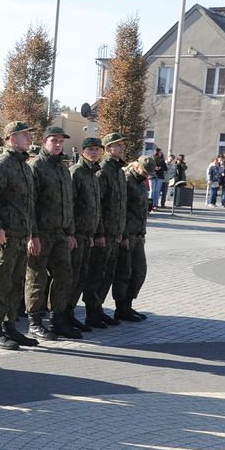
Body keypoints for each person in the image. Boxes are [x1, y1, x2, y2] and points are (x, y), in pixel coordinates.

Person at [0, 121, 36, 350]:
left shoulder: (22, 165)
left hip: (20, 236)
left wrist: (31, 234)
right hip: (4, 237)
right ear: (12, 138)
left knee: (15, 283)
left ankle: (10, 327)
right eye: (25, 135)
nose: (29, 138)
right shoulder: (1, 163)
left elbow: (27, 205)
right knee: (0, 283)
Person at [25, 126, 81, 341]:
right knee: (37, 278)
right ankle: (35, 322)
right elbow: (29, 204)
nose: (58, 144)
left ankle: (57, 319)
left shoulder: (63, 168)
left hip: (60, 234)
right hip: (41, 233)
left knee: (64, 276)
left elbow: (69, 204)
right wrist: (32, 235)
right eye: (54, 141)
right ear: (44, 142)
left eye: (60, 141)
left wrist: (70, 232)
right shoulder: (36, 166)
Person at [83, 132, 127, 329]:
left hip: (114, 233)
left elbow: (121, 205)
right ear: (108, 149)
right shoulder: (103, 172)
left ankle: (99, 309)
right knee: (96, 274)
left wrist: (121, 232)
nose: (122, 148)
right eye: (117, 145)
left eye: (122, 145)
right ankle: (92, 312)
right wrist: (99, 232)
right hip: (104, 234)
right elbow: (97, 206)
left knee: (107, 274)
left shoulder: (118, 171)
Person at [68, 137, 103, 332]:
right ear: (82, 152)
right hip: (76, 234)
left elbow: (95, 207)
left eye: (97, 149)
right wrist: (71, 233)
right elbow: (70, 205)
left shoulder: (93, 174)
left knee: (81, 277)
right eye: (90, 149)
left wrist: (94, 232)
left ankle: (70, 312)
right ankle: (63, 313)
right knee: (71, 277)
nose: (94, 152)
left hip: (86, 234)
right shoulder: (77, 172)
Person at [112, 156, 152, 323]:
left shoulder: (140, 182)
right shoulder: (128, 180)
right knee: (124, 272)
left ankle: (127, 304)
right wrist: (124, 234)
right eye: (144, 171)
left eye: (149, 173)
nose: (147, 175)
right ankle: (120, 307)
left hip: (138, 233)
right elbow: (122, 210)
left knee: (139, 271)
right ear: (136, 166)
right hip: (128, 234)